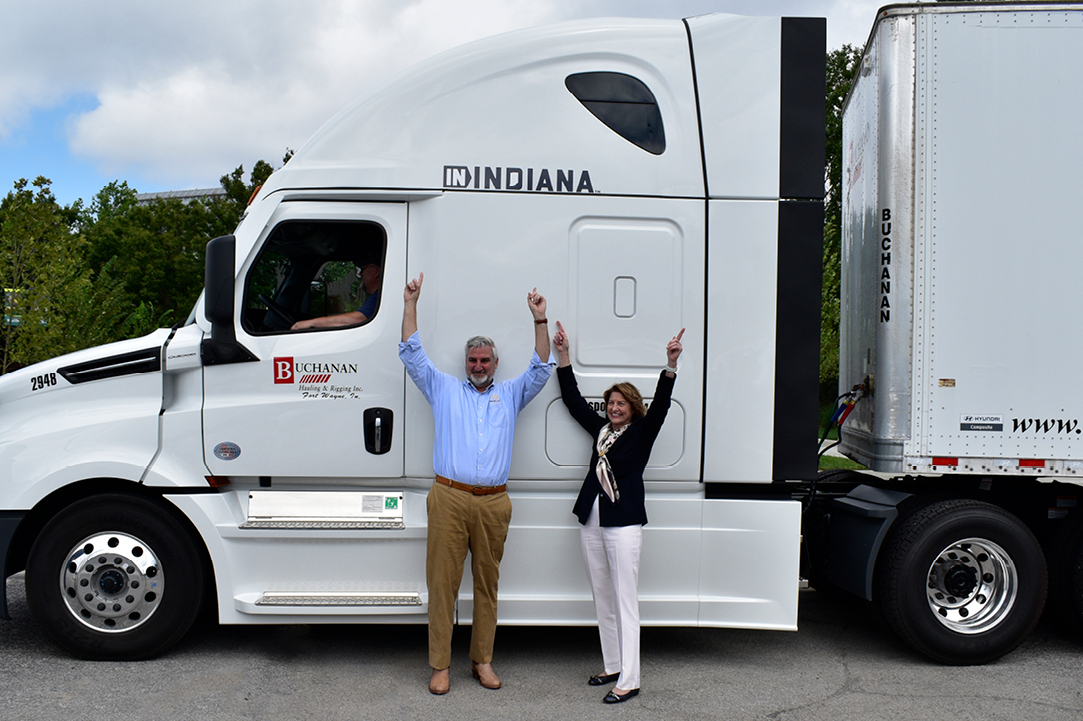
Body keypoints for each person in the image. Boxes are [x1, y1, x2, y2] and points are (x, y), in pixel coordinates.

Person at [399, 271, 553, 695]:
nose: (479, 366)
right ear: (465, 364)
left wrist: (539, 321)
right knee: (442, 585)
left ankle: (482, 661)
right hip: (448, 498)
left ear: (495, 364)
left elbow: (541, 369)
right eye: (473, 361)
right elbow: (412, 353)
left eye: (485, 360)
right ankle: (440, 666)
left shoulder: (512, 394)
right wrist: (410, 303)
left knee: (487, 585)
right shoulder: (444, 389)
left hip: (493, 504)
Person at [552, 320, 684, 705]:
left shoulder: (642, 432)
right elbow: (574, 401)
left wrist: (670, 364)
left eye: (620, 404)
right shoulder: (600, 433)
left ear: (632, 408)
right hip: (592, 520)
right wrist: (563, 355)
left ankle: (630, 679)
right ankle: (612, 664)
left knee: (625, 598)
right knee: (602, 595)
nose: (613, 408)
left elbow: (661, 406)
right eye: (610, 403)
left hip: (623, 522)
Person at [291, 261, 382, 330]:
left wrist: (310, 323)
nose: (360, 273)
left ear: (376, 272)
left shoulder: (378, 297)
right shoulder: (377, 297)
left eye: (363, 269)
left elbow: (357, 319)